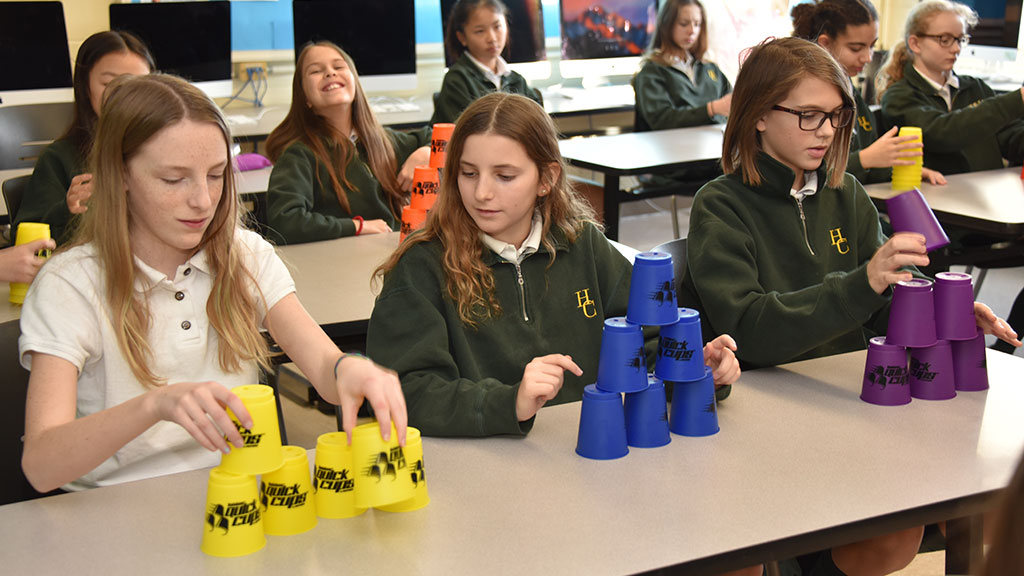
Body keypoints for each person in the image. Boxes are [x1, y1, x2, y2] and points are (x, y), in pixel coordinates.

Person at [679, 36, 1020, 574]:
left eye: (836, 117)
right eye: (808, 115)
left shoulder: (847, 194)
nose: (826, 133)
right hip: (759, 424)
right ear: (758, 116)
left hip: (846, 407)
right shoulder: (720, 206)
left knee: (905, 525)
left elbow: (884, 302)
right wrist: (864, 282)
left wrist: (937, 310)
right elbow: (750, 330)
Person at [19, 74, 407, 493]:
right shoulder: (70, 284)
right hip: (112, 512)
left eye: (217, 175)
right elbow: (41, 466)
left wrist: (350, 370)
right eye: (174, 179)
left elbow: (326, 370)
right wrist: (155, 405)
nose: (203, 200)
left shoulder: (245, 255)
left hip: (231, 497)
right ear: (120, 175)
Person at [366, 92, 740, 439]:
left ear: (546, 179)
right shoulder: (422, 266)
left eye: (505, 176)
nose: (481, 192)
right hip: (485, 471)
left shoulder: (583, 245)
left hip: (591, 456)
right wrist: (510, 401)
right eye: (468, 173)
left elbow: (646, 348)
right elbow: (406, 389)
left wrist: (693, 367)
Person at [265, 41, 430, 245]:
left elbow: (446, 139)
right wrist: (356, 227)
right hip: (344, 261)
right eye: (316, 71)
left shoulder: (383, 141)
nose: (330, 73)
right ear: (304, 97)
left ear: (355, 82)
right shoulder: (300, 155)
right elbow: (285, 221)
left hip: (396, 253)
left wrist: (427, 151)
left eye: (338, 66)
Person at [15, 30, 153, 244]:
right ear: (85, 87)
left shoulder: (163, 150)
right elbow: (27, 241)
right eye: (109, 84)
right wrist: (68, 209)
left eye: (138, 85)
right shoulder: (58, 158)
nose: (124, 95)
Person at [792, 0, 946, 186]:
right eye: (856, 48)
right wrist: (864, 159)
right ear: (825, 44)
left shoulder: (852, 94)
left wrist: (895, 168)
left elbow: (869, 169)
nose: (868, 57)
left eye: (872, 46)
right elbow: (804, 176)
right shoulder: (800, 98)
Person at [878, 0, 1024, 175]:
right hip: (933, 197)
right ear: (915, 43)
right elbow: (943, 133)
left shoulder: (975, 87)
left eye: (961, 39)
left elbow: (1011, 137)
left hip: (985, 193)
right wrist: (1018, 99)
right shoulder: (899, 97)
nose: (956, 48)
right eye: (944, 40)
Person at [430, 0, 542, 124]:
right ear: (462, 37)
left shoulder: (516, 79)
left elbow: (539, 124)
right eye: (480, 31)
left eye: (497, 27)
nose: (492, 38)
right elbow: (466, 135)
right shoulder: (457, 80)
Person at [633, 0, 732, 132]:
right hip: (669, 149)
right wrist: (712, 109)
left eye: (697, 24)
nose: (692, 31)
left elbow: (732, 104)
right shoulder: (652, 72)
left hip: (714, 147)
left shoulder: (709, 68)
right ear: (667, 25)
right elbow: (662, 120)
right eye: (684, 24)